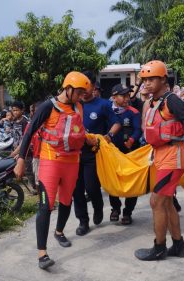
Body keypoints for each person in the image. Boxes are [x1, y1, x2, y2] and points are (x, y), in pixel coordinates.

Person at [14, 71, 96, 269]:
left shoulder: (79, 107)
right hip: (51, 161)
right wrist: (20, 159)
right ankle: (42, 254)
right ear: (67, 89)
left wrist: (89, 139)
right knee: (46, 205)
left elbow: (77, 131)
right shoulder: (47, 107)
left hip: (72, 162)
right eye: (78, 93)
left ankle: (59, 231)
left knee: (67, 200)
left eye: (82, 93)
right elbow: (30, 131)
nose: (80, 97)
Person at [134, 60, 184, 261]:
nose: (146, 83)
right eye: (144, 80)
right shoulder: (154, 102)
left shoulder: (172, 100)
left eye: (151, 79)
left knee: (156, 201)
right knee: (168, 203)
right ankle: (179, 246)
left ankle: (159, 247)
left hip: (173, 157)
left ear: (163, 79)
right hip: (161, 156)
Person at [73, 71, 121, 236]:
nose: (84, 90)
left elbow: (116, 123)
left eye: (88, 86)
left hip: (92, 153)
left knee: (92, 187)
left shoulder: (103, 104)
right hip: (73, 154)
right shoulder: (73, 105)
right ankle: (83, 221)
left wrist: (108, 137)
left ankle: (98, 207)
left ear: (93, 86)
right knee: (77, 190)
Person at [107, 84, 141, 225]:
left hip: (130, 153)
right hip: (112, 154)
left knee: (132, 182)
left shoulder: (133, 112)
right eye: (124, 95)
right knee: (112, 180)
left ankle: (128, 212)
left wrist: (132, 139)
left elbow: (139, 129)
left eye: (128, 95)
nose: (127, 98)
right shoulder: (107, 111)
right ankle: (115, 208)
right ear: (114, 97)